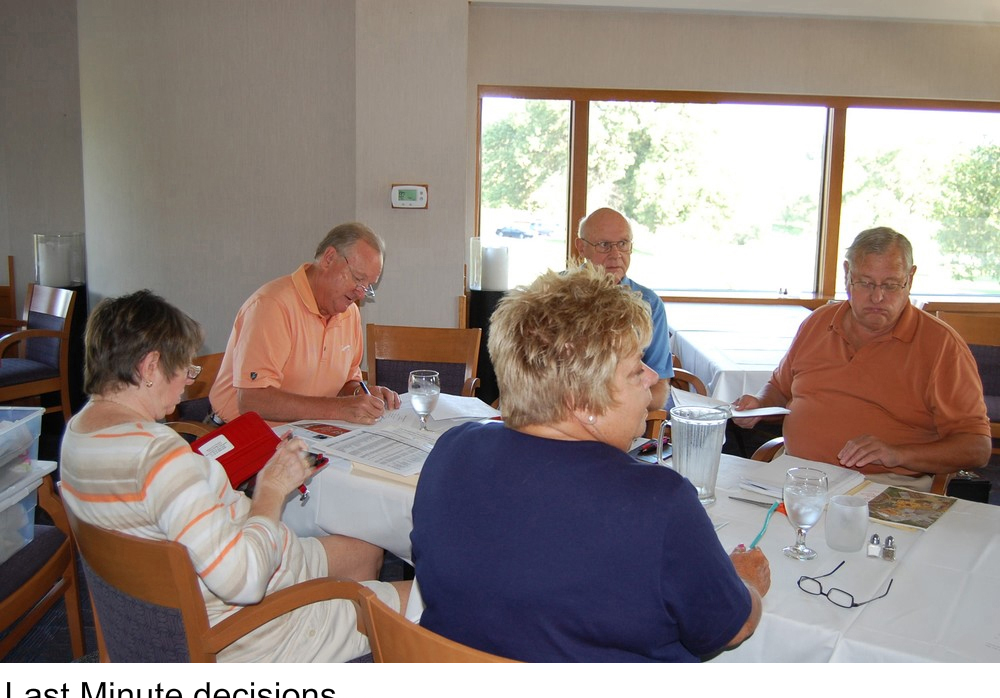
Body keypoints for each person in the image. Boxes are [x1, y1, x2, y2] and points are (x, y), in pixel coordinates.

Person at [410, 266, 769, 662]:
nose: (652, 377)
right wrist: (746, 582)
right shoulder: (658, 501)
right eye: (636, 369)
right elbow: (731, 629)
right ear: (583, 404)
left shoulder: (452, 451)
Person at [59, 290, 408, 662]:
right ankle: (339, 640)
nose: (186, 385)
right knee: (426, 601)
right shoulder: (159, 457)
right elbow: (245, 582)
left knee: (365, 551)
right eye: (184, 370)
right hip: (250, 630)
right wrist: (271, 489)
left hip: (216, 575)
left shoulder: (78, 434)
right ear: (149, 368)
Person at [734, 227, 991, 486]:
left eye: (891, 285)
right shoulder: (818, 323)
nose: (877, 297)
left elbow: (976, 447)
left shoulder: (941, 345)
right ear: (847, 274)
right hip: (795, 472)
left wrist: (897, 454)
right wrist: (759, 404)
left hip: (884, 483)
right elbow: (780, 389)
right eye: (866, 283)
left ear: (910, 278)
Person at [209, 222, 401, 427]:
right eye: (358, 278)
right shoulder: (272, 305)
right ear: (329, 258)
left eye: (368, 287)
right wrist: (339, 408)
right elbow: (253, 400)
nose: (361, 293)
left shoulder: (350, 313)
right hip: (242, 433)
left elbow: (346, 382)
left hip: (308, 432)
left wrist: (361, 394)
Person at [575, 207, 673, 409]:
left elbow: (659, 388)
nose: (616, 254)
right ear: (581, 247)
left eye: (623, 243)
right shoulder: (553, 297)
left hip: (625, 416)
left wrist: (612, 412)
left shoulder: (649, 304)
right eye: (604, 245)